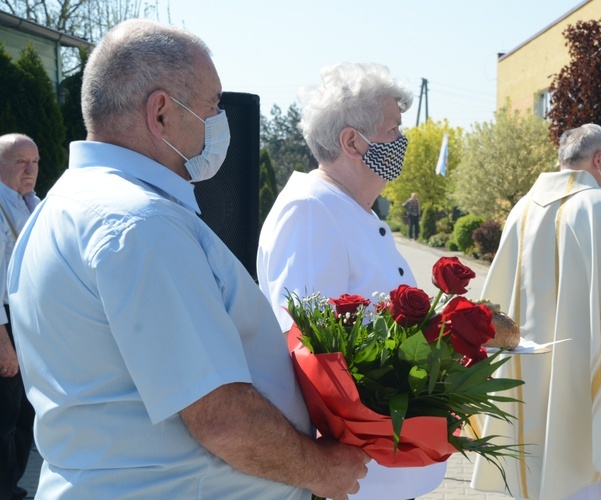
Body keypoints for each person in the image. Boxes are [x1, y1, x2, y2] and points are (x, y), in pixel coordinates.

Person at [7, 19, 368, 499]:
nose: (219, 121)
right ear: (160, 113)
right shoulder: (140, 225)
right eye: (212, 106)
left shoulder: (62, 206)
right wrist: (323, 471)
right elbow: (223, 420)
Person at [257, 62, 446, 500]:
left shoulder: (351, 208)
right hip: (354, 479)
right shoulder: (311, 211)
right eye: (393, 130)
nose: (402, 141)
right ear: (351, 141)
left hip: (379, 471)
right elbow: (311, 353)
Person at [471, 124, 601, 499]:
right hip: (587, 357)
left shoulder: (522, 207)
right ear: (600, 160)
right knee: (598, 464)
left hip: (530, 360)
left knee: (538, 460)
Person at [0, 134, 39, 500]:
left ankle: (12, 487)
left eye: (35, 163)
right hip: (6, 322)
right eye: (20, 163)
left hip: (29, 317)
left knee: (27, 412)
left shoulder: (36, 205)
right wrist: (4, 344)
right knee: (5, 418)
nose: (30, 171)